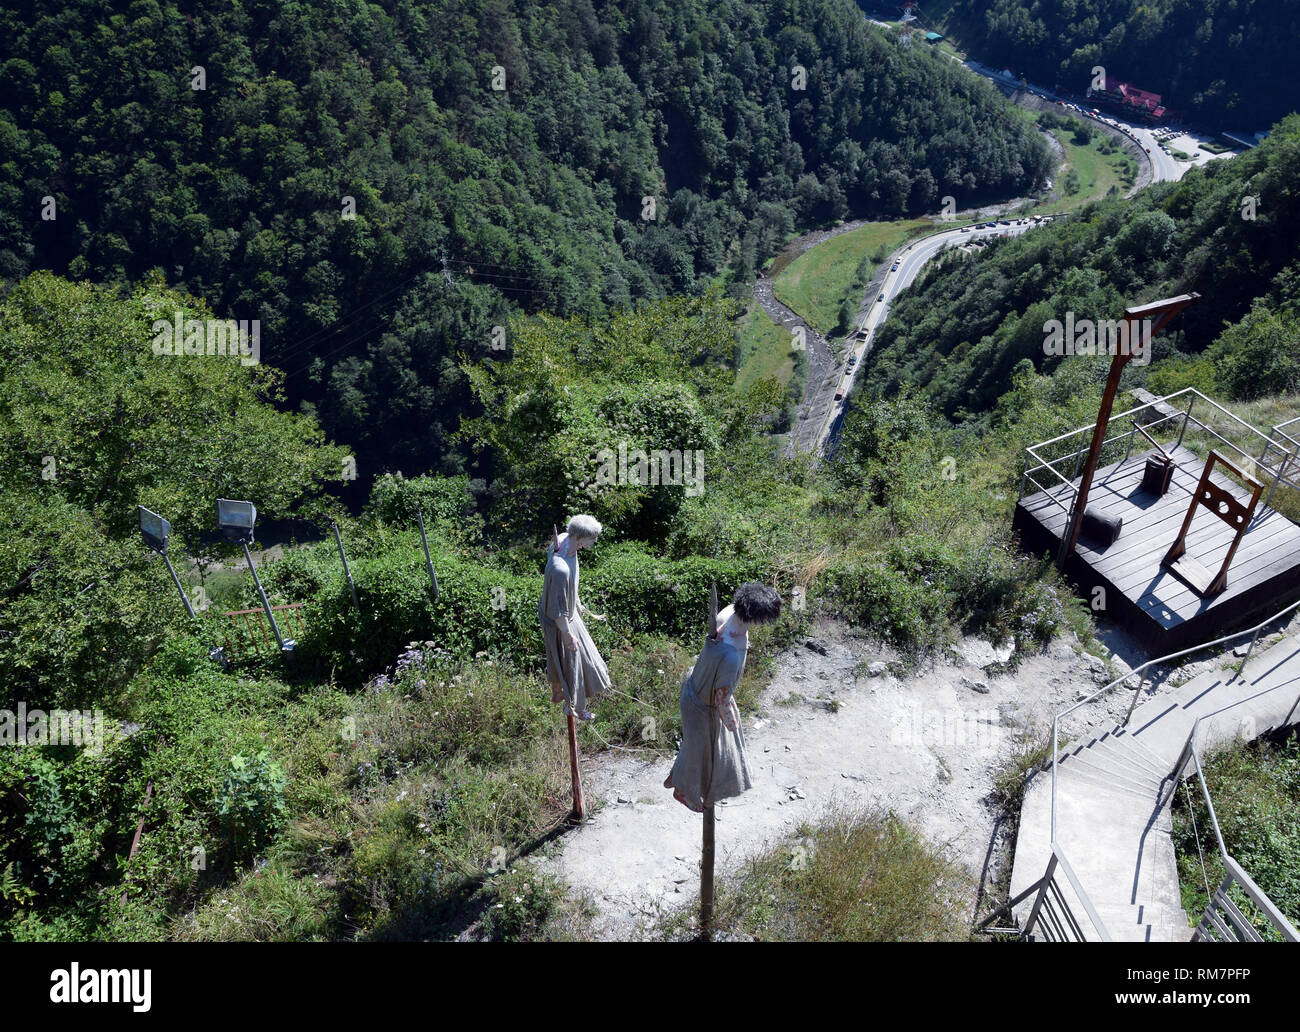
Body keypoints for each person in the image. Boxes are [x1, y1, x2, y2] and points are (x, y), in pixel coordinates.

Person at [664, 582, 782, 812]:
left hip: (695, 684)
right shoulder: (731, 655)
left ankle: (675, 779)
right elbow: (721, 700)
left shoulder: (727, 613)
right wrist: (732, 724)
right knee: (701, 753)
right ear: (757, 617)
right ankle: (684, 793)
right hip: (702, 704)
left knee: (693, 747)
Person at [538, 514, 610, 721]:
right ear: (580, 538)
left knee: (562, 657)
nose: (594, 542)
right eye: (592, 539)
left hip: (566, 613)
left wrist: (576, 604)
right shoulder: (560, 569)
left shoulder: (564, 540)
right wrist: (567, 636)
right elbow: (558, 610)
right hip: (559, 619)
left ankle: (557, 692)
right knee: (573, 660)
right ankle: (574, 708)